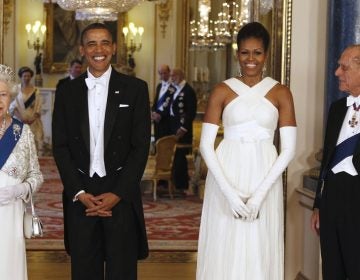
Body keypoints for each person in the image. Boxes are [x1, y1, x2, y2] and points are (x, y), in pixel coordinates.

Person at [196, 22, 296, 279]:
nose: (251, 59)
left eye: (257, 52)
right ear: (237, 53)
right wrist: (230, 194)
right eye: (245, 52)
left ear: (266, 55)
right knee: (225, 239)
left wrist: (258, 195)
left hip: (265, 174)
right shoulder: (222, 90)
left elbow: (289, 149)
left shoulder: (281, 92)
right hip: (226, 173)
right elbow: (206, 145)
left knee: (259, 243)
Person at [52, 22, 150, 280]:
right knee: (84, 271)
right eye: (92, 43)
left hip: (121, 192)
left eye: (105, 42)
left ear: (114, 48)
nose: (99, 49)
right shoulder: (66, 92)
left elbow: (140, 147)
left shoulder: (136, 88)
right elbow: (60, 147)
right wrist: (79, 192)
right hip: (81, 194)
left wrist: (118, 193)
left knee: (122, 271)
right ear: (82, 50)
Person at [311, 45, 360, 280]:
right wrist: (319, 204)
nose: (337, 72)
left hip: (357, 202)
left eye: (344, 67)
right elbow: (327, 162)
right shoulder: (337, 108)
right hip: (332, 204)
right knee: (332, 271)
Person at [0, 64, 43, 279]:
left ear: (11, 97)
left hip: (11, 214)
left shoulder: (23, 133)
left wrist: (20, 189)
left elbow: (36, 175)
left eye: (3, 94)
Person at [169, 68, 197, 193]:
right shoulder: (175, 89)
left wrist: (183, 128)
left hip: (183, 131)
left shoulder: (188, 90)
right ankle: (175, 184)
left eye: (173, 75)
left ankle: (182, 185)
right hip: (173, 128)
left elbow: (191, 112)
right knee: (174, 158)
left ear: (180, 75)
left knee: (180, 158)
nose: (171, 78)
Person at [9, 66, 44, 154]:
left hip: (33, 121)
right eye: (24, 76)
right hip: (19, 121)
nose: (26, 78)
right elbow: (12, 106)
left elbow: (39, 106)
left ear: (31, 77)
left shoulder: (36, 91)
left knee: (33, 145)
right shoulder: (15, 89)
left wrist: (33, 119)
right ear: (21, 77)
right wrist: (21, 119)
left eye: (28, 76)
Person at [151, 64, 176, 141]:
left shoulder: (174, 87)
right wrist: (154, 113)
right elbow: (156, 102)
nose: (162, 75)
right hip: (157, 121)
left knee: (165, 143)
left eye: (164, 73)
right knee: (157, 142)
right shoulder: (159, 86)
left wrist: (161, 115)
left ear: (169, 73)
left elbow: (172, 105)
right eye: (160, 73)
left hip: (167, 120)